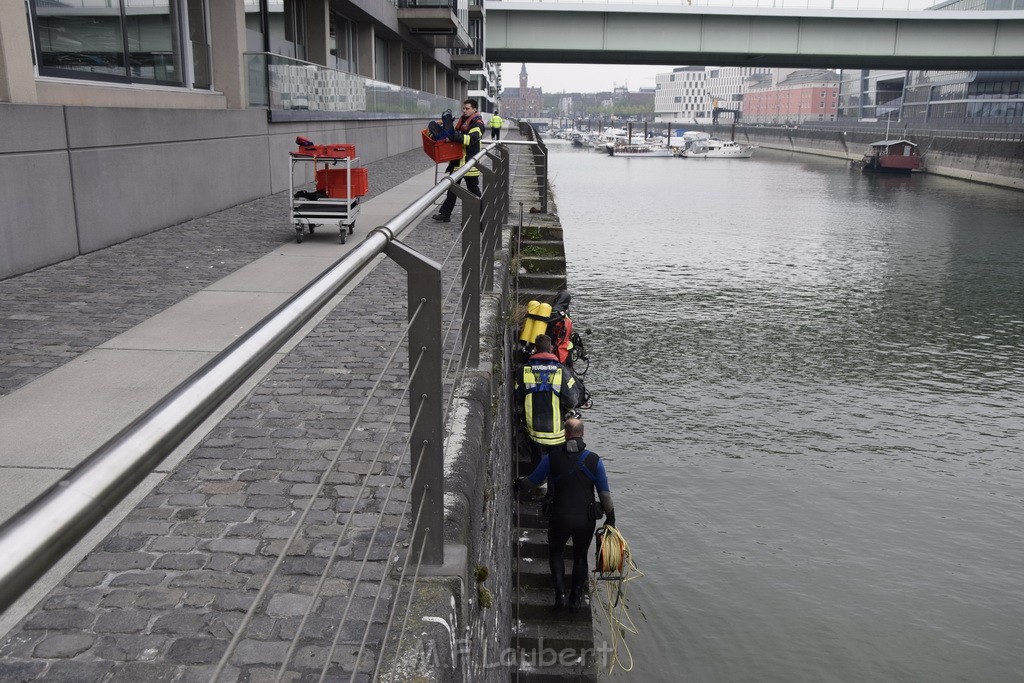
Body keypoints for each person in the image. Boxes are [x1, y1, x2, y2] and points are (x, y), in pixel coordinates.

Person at [515, 418, 616, 611]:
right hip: (584, 520)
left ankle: (559, 595)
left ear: (565, 433)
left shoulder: (552, 458)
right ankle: (576, 597)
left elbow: (534, 481)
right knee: (580, 556)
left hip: (559, 517)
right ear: (582, 434)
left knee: (555, 552)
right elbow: (605, 496)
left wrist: (518, 484)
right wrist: (611, 519)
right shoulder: (595, 461)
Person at [514, 334, 581, 470]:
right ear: (551, 348)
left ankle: (535, 485)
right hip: (557, 433)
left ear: (535, 350)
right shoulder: (561, 371)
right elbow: (572, 400)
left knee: (537, 466)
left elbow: (518, 396)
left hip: (534, 431)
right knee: (557, 468)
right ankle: (552, 488)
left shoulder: (524, 371)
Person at [432, 99, 485, 223]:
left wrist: (453, 136)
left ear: (474, 109)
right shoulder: (464, 121)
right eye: (464, 108)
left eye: (467, 108)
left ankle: (482, 213)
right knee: (452, 188)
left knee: (473, 190)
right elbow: (457, 135)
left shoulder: (478, 124)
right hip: (458, 162)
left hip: (469, 164)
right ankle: (445, 214)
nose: (464, 110)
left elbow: (471, 139)